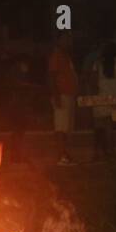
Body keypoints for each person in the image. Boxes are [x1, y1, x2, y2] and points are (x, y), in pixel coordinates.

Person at [91, 42, 116, 161]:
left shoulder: (97, 63)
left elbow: (93, 79)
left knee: (109, 127)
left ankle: (111, 152)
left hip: (104, 95)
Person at [48, 32, 79, 165]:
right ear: (59, 40)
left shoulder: (66, 56)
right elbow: (52, 77)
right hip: (62, 95)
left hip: (68, 95)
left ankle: (66, 154)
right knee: (61, 127)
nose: (69, 42)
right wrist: (56, 96)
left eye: (70, 39)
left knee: (67, 127)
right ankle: (62, 156)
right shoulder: (57, 56)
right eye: (66, 39)